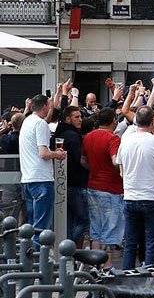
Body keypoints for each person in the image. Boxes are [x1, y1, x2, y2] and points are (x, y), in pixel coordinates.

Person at [116, 106, 154, 270]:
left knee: (131, 241)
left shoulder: (125, 142)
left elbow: (121, 171)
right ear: (151, 120)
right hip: (153, 197)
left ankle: (127, 276)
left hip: (131, 196)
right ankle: (150, 276)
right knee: (152, 241)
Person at [82, 107, 125, 271]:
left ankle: (95, 264)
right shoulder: (113, 138)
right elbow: (115, 161)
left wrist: (95, 169)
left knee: (96, 229)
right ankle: (107, 265)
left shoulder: (89, 137)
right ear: (114, 120)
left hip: (93, 185)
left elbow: (83, 160)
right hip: (111, 188)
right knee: (110, 228)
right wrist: (123, 170)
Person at [19, 94, 66, 242]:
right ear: (45, 107)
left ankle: (30, 261)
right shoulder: (40, 124)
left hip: (27, 179)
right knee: (41, 228)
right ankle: (40, 262)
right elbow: (43, 153)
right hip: (41, 179)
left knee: (31, 226)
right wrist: (57, 154)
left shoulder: (27, 121)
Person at [53, 106, 89, 247]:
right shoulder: (73, 135)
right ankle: (68, 248)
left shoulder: (58, 134)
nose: (80, 119)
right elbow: (81, 159)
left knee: (67, 222)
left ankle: (65, 253)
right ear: (68, 119)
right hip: (75, 183)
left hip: (62, 183)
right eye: (76, 117)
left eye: (81, 116)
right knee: (83, 221)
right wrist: (93, 169)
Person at [0, 112, 25, 221]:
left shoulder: (5, 139)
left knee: (8, 210)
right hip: (24, 176)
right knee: (25, 211)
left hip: (7, 179)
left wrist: (6, 129)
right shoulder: (25, 139)